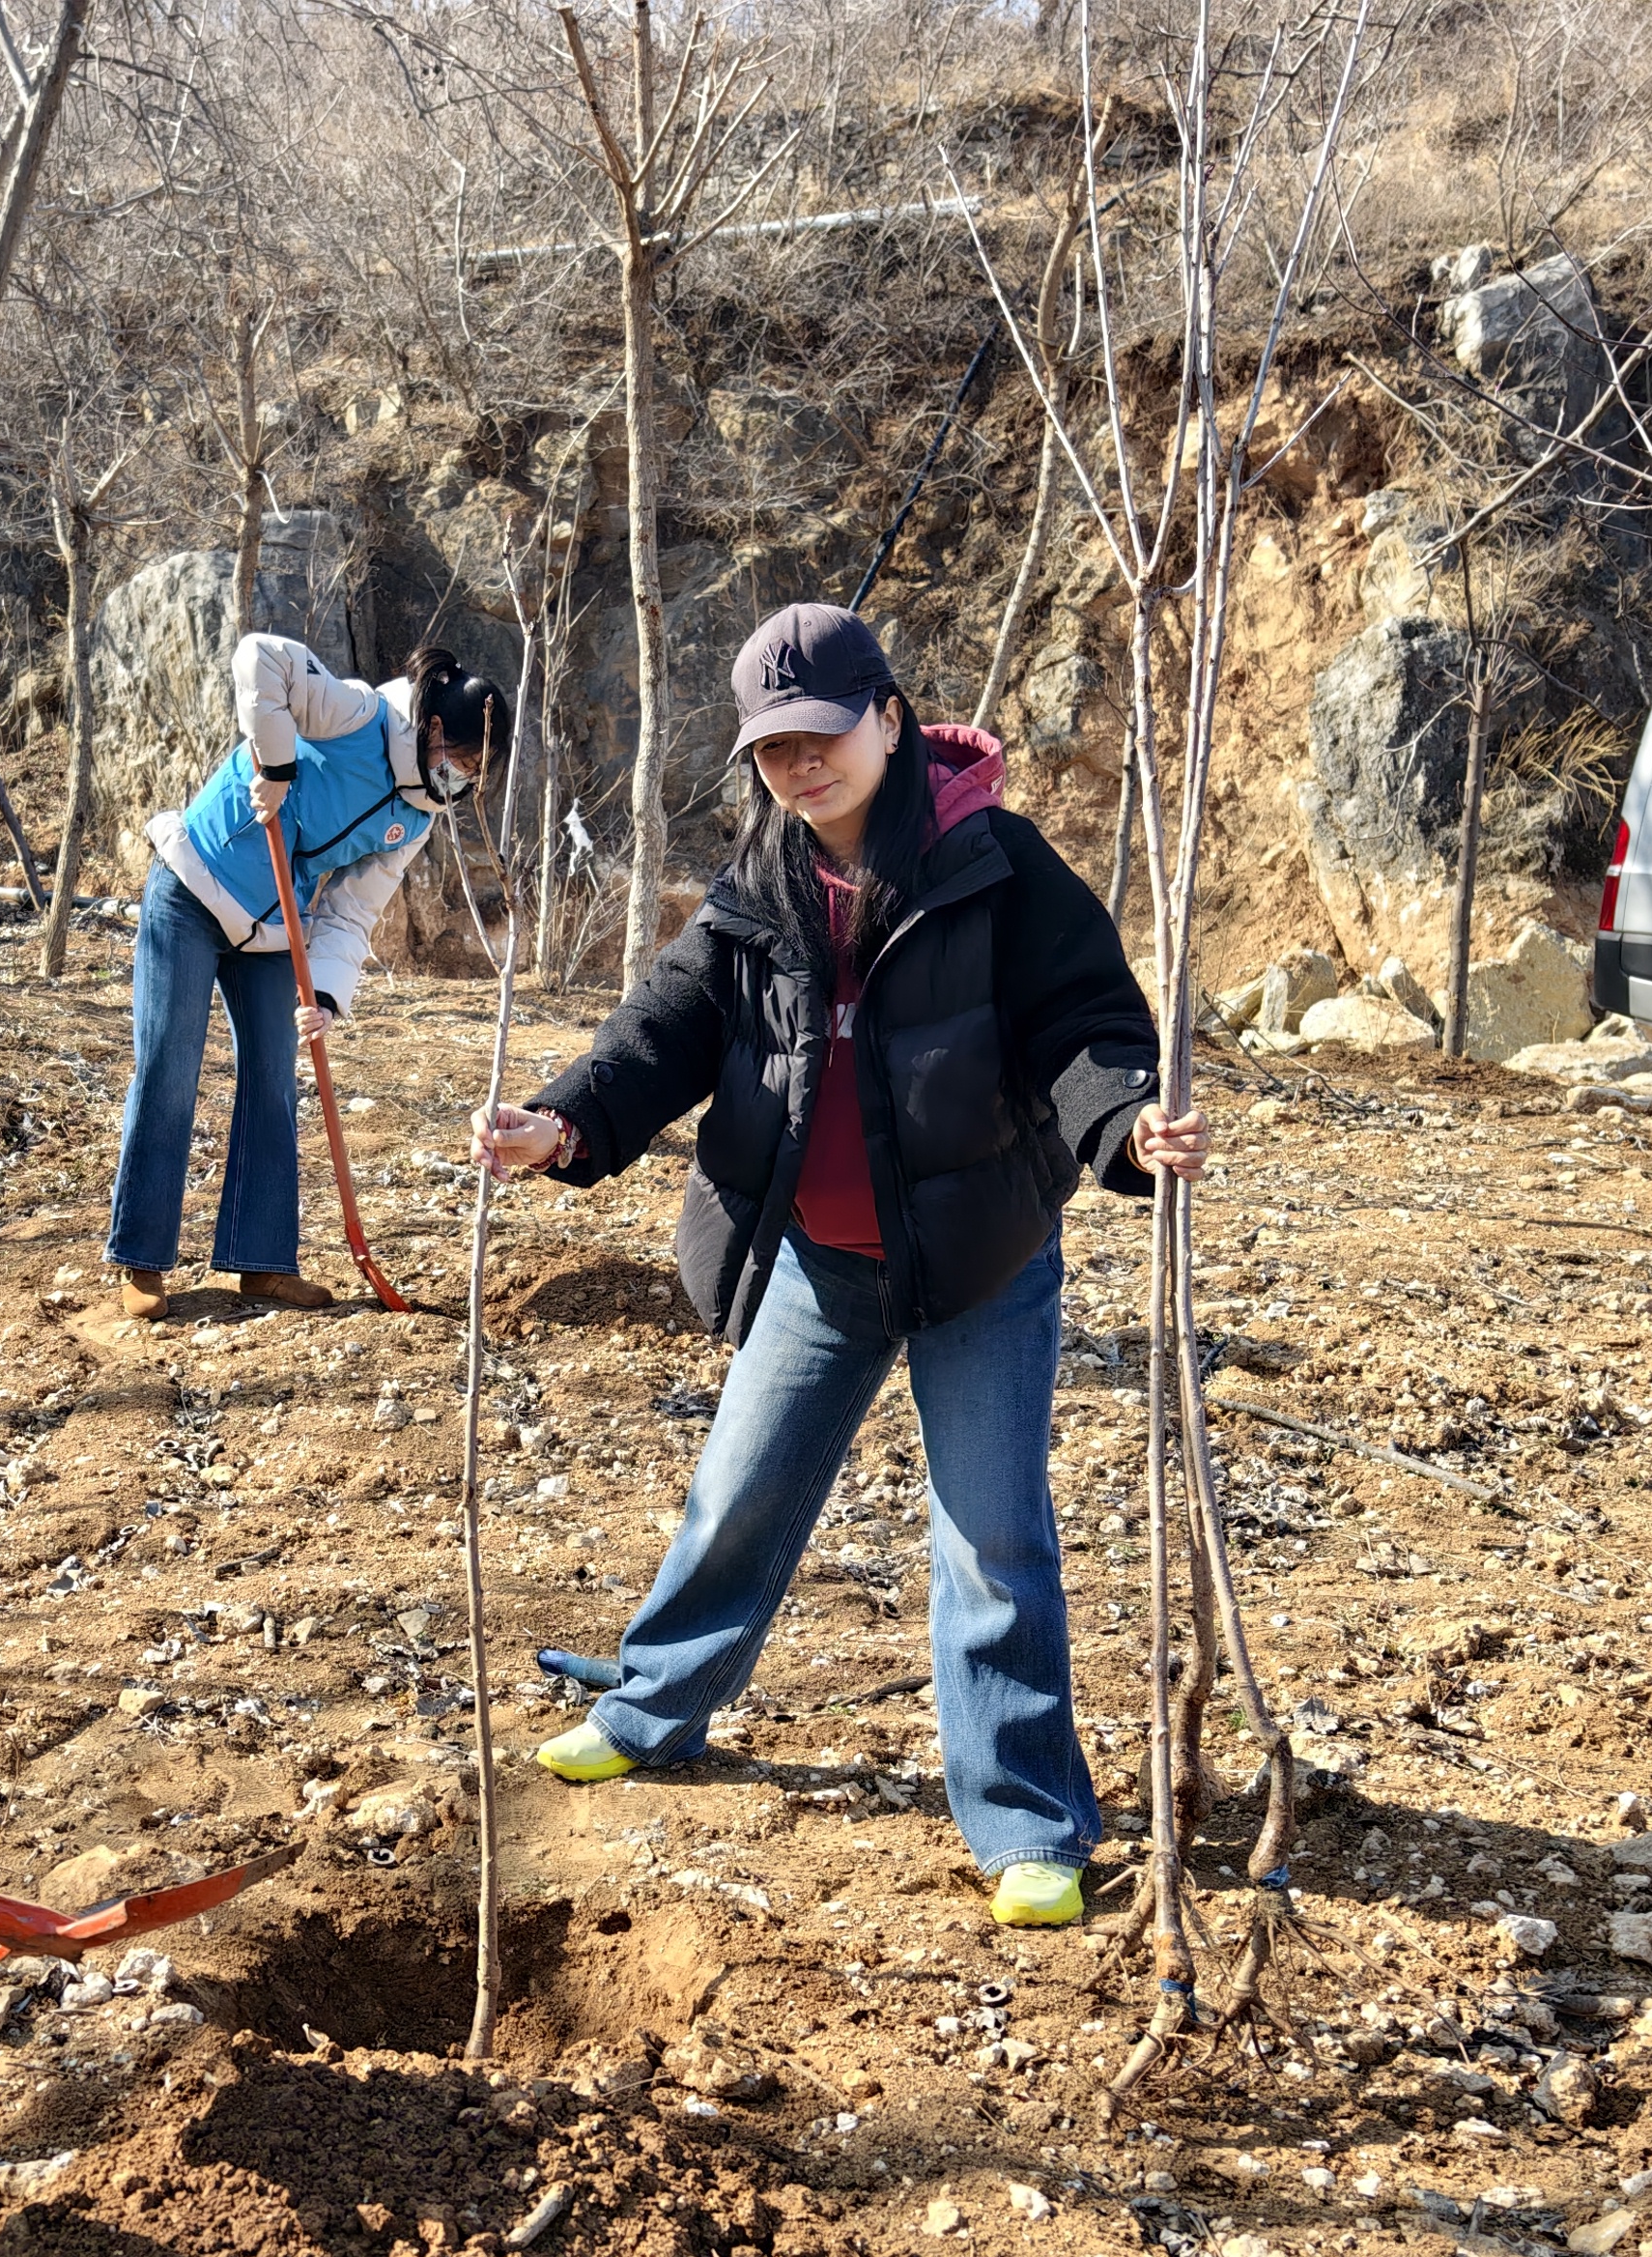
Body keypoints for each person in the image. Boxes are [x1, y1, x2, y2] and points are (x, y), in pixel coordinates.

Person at [473, 603, 1205, 1933]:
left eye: (822, 736)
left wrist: (1127, 1129)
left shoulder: (998, 863)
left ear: (887, 714)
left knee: (993, 1544)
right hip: (819, 1261)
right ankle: (650, 1713)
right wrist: (565, 1122)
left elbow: (1088, 1023)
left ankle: (1030, 1824)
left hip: (979, 1262)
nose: (801, 767)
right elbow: (669, 1025)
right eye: (772, 748)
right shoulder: (762, 880)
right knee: (735, 1494)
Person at [105, 635, 507, 1317]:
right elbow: (261, 656)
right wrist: (279, 763)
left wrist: (320, 994)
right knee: (171, 1065)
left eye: (477, 772)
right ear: (435, 729)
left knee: (273, 1080)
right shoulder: (357, 715)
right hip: (192, 884)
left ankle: (259, 1262)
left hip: (269, 928)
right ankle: (141, 1262)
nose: (464, 780)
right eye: (464, 760)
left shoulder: (414, 819)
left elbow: (352, 913)